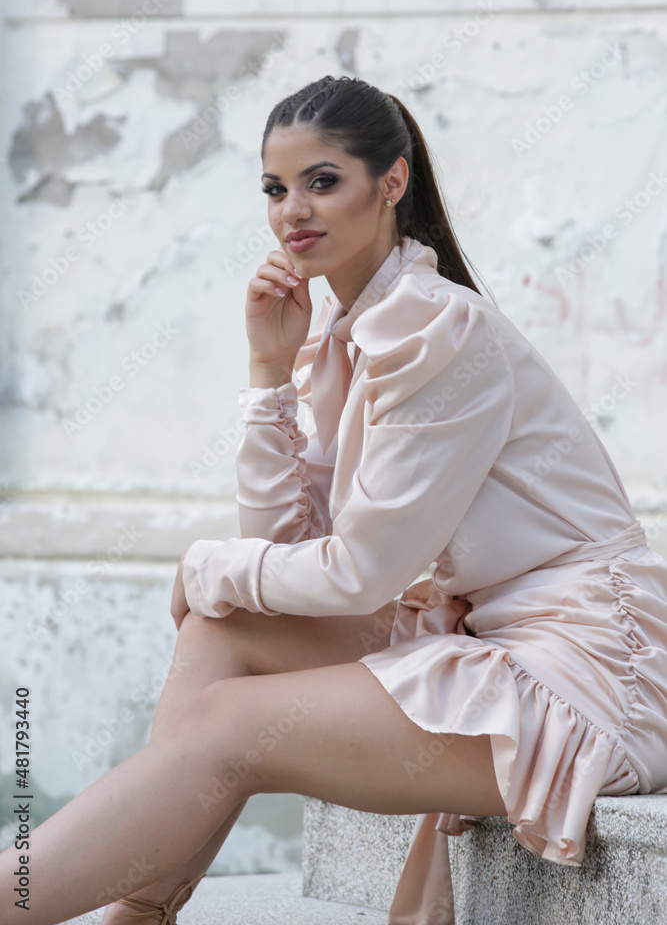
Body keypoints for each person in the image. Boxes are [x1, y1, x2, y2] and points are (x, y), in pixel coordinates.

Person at [2, 74, 667, 925]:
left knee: (231, 723)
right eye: (276, 189)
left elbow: (356, 575)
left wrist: (214, 563)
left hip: (586, 675)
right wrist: (268, 376)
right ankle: (139, 912)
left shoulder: (436, 330)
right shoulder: (346, 338)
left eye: (323, 181)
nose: (293, 211)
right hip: (493, 636)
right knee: (223, 627)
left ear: (391, 182)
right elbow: (284, 549)